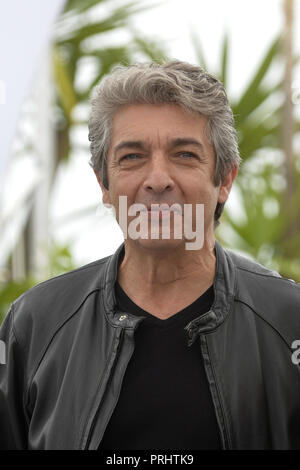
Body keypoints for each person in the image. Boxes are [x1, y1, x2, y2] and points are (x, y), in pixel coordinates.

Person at [1, 60, 300, 451]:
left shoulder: (289, 320)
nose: (158, 180)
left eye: (185, 155)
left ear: (225, 179)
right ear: (104, 185)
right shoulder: (36, 322)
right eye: (132, 157)